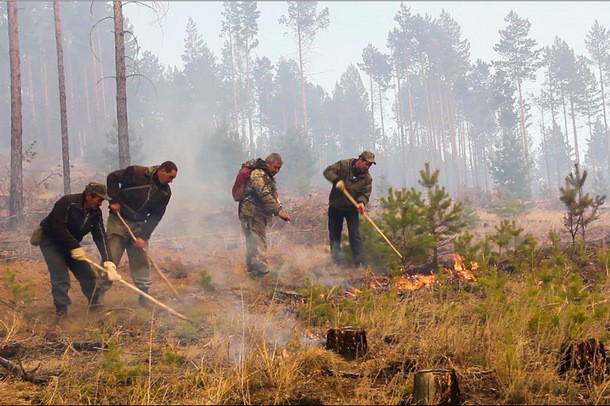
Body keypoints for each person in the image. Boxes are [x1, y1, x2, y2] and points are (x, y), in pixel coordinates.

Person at [35, 182, 120, 318]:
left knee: (88, 275)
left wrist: (108, 260)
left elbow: (100, 236)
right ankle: (61, 313)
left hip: (71, 245)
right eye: (99, 200)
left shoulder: (95, 213)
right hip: (51, 242)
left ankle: (95, 306)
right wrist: (75, 246)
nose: (100, 204)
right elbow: (58, 227)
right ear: (88, 196)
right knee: (61, 278)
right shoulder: (67, 203)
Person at [98, 161, 177, 306]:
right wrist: (114, 200)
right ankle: (97, 296)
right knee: (111, 258)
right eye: (170, 177)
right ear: (162, 171)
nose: (171, 181)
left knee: (141, 260)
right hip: (119, 220)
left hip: (139, 225)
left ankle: (144, 296)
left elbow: (156, 216)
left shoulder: (165, 193)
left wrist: (143, 236)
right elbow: (112, 178)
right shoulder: (136, 173)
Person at [238, 153, 291, 277]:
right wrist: (279, 212)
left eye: (279, 168)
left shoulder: (266, 175)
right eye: (275, 167)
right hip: (251, 213)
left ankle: (254, 272)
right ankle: (261, 274)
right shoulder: (258, 175)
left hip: (256, 213)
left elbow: (271, 194)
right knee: (258, 243)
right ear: (268, 164)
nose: (277, 171)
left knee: (253, 242)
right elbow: (265, 195)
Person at [323, 151, 375, 267]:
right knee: (335, 236)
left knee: (355, 235)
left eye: (370, 165)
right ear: (360, 160)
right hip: (335, 207)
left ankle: (360, 264)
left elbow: (365, 193)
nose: (367, 167)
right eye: (366, 164)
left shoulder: (367, 178)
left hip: (352, 209)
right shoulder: (344, 165)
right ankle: (336, 264)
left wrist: (361, 203)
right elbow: (327, 171)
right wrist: (336, 180)